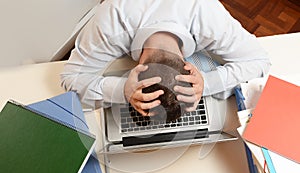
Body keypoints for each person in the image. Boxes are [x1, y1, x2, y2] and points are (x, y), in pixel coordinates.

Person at [60, 0, 270, 118]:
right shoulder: (111, 20)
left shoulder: (206, 13)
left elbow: (260, 61)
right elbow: (69, 78)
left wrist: (207, 83)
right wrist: (123, 89)